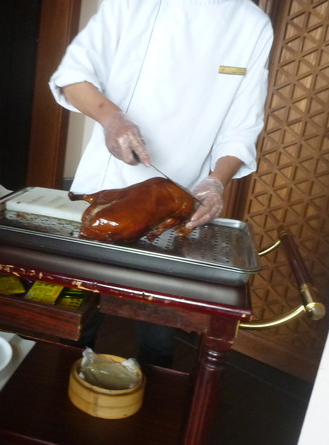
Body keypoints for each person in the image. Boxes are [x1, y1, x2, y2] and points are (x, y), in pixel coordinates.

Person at [50, 0, 273, 367]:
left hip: (177, 200)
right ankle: (63, 372)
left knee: (158, 321)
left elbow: (242, 125)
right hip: (106, 187)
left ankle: (153, 380)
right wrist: (112, 119)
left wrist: (217, 181)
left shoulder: (251, 22)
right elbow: (72, 76)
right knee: (76, 313)